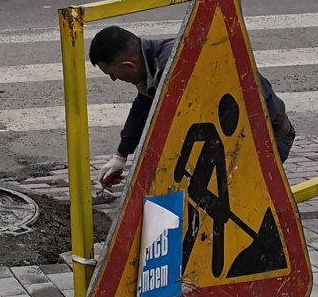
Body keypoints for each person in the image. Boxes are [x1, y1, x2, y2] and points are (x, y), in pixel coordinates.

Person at [89, 24, 295, 189]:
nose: (114, 79)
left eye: (112, 74)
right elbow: (141, 109)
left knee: (224, 199)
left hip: (268, 139)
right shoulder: (152, 67)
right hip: (233, 138)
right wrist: (120, 156)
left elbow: (172, 130)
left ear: (128, 66)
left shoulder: (175, 67)